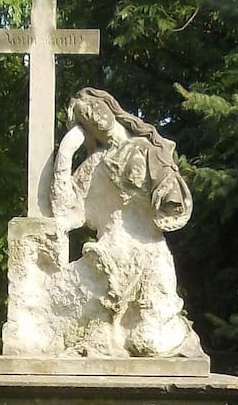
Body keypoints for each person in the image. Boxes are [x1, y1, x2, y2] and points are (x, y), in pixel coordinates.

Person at [48, 87, 202, 358]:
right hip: (109, 263)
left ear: (110, 106)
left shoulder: (149, 150)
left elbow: (174, 198)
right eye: (85, 116)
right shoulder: (94, 165)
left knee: (149, 344)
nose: (94, 116)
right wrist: (65, 153)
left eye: (95, 107)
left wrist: (164, 191)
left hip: (149, 255)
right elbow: (67, 211)